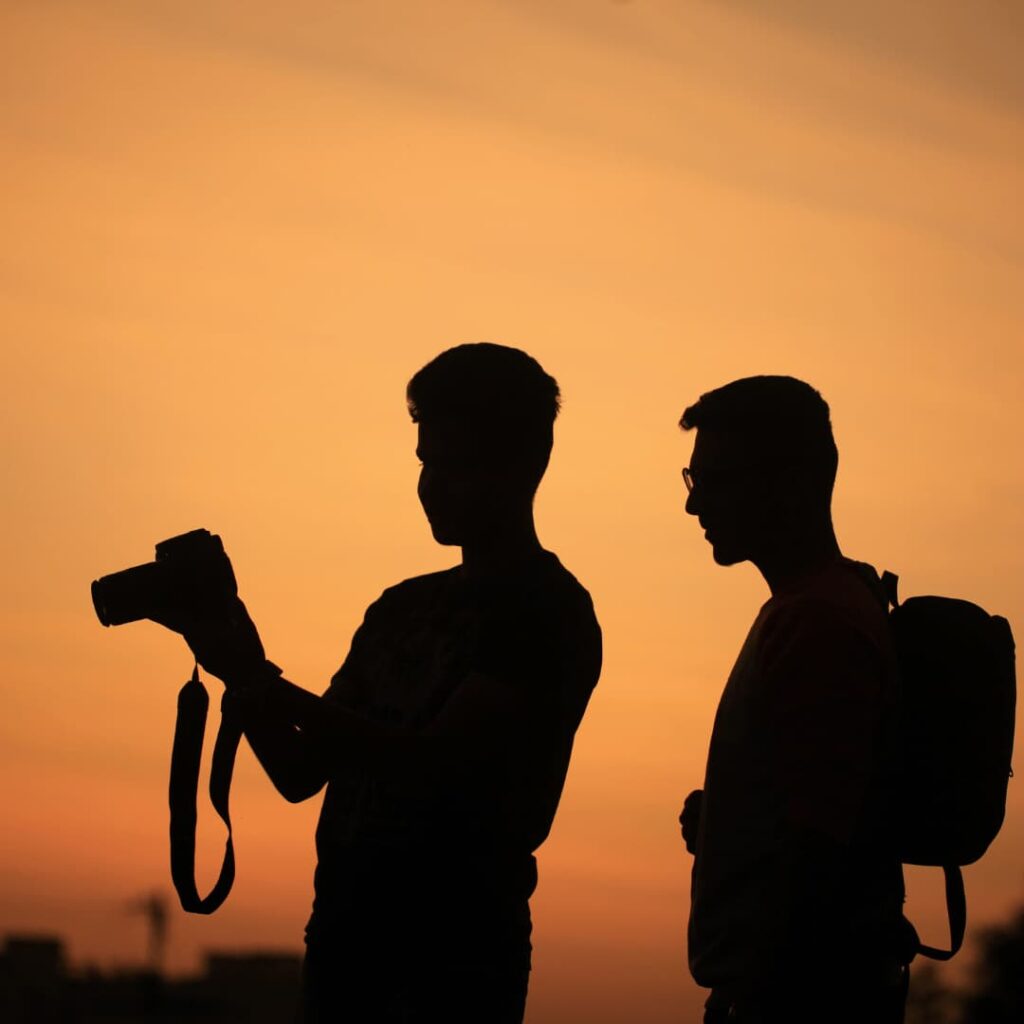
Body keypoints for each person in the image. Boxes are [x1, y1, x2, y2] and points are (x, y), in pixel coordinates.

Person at [160, 343, 602, 1023]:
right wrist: (237, 664)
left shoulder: (546, 608)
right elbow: (301, 771)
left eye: (455, 464)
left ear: (523, 465)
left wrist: (258, 678)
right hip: (343, 938)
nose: (432, 484)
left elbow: (432, 761)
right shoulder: (401, 607)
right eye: (426, 461)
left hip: (455, 956)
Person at [676, 376, 909, 1024]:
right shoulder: (816, 610)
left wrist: (757, 994)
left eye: (715, 480)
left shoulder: (819, 624)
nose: (696, 508)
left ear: (794, 483)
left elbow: (818, 847)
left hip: (804, 997)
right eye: (692, 482)